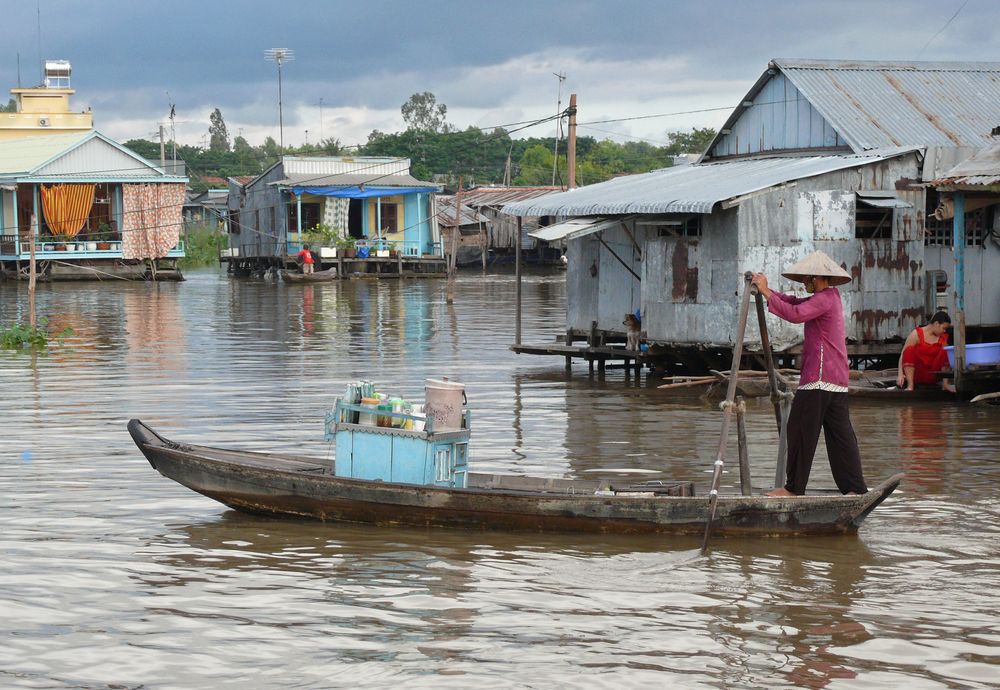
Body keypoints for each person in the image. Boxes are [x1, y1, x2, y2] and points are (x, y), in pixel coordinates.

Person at [751, 250, 868, 497]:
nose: (804, 283)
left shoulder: (824, 299)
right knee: (840, 435)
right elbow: (794, 303)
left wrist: (765, 292)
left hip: (819, 378)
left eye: (807, 279)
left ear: (817, 278)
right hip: (835, 380)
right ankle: (854, 488)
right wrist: (769, 291)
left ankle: (794, 488)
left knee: (800, 429)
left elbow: (795, 315)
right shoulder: (829, 297)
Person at [896, 312, 953, 391]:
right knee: (909, 350)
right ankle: (910, 385)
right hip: (917, 373)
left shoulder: (943, 338)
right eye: (943, 328)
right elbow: (903, 354)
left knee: (946, 351)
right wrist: (900, 374)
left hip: (933, 374)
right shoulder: (916, 334)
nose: (944, 331)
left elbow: (945, 359)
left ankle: (946, 385)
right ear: (936, 324)